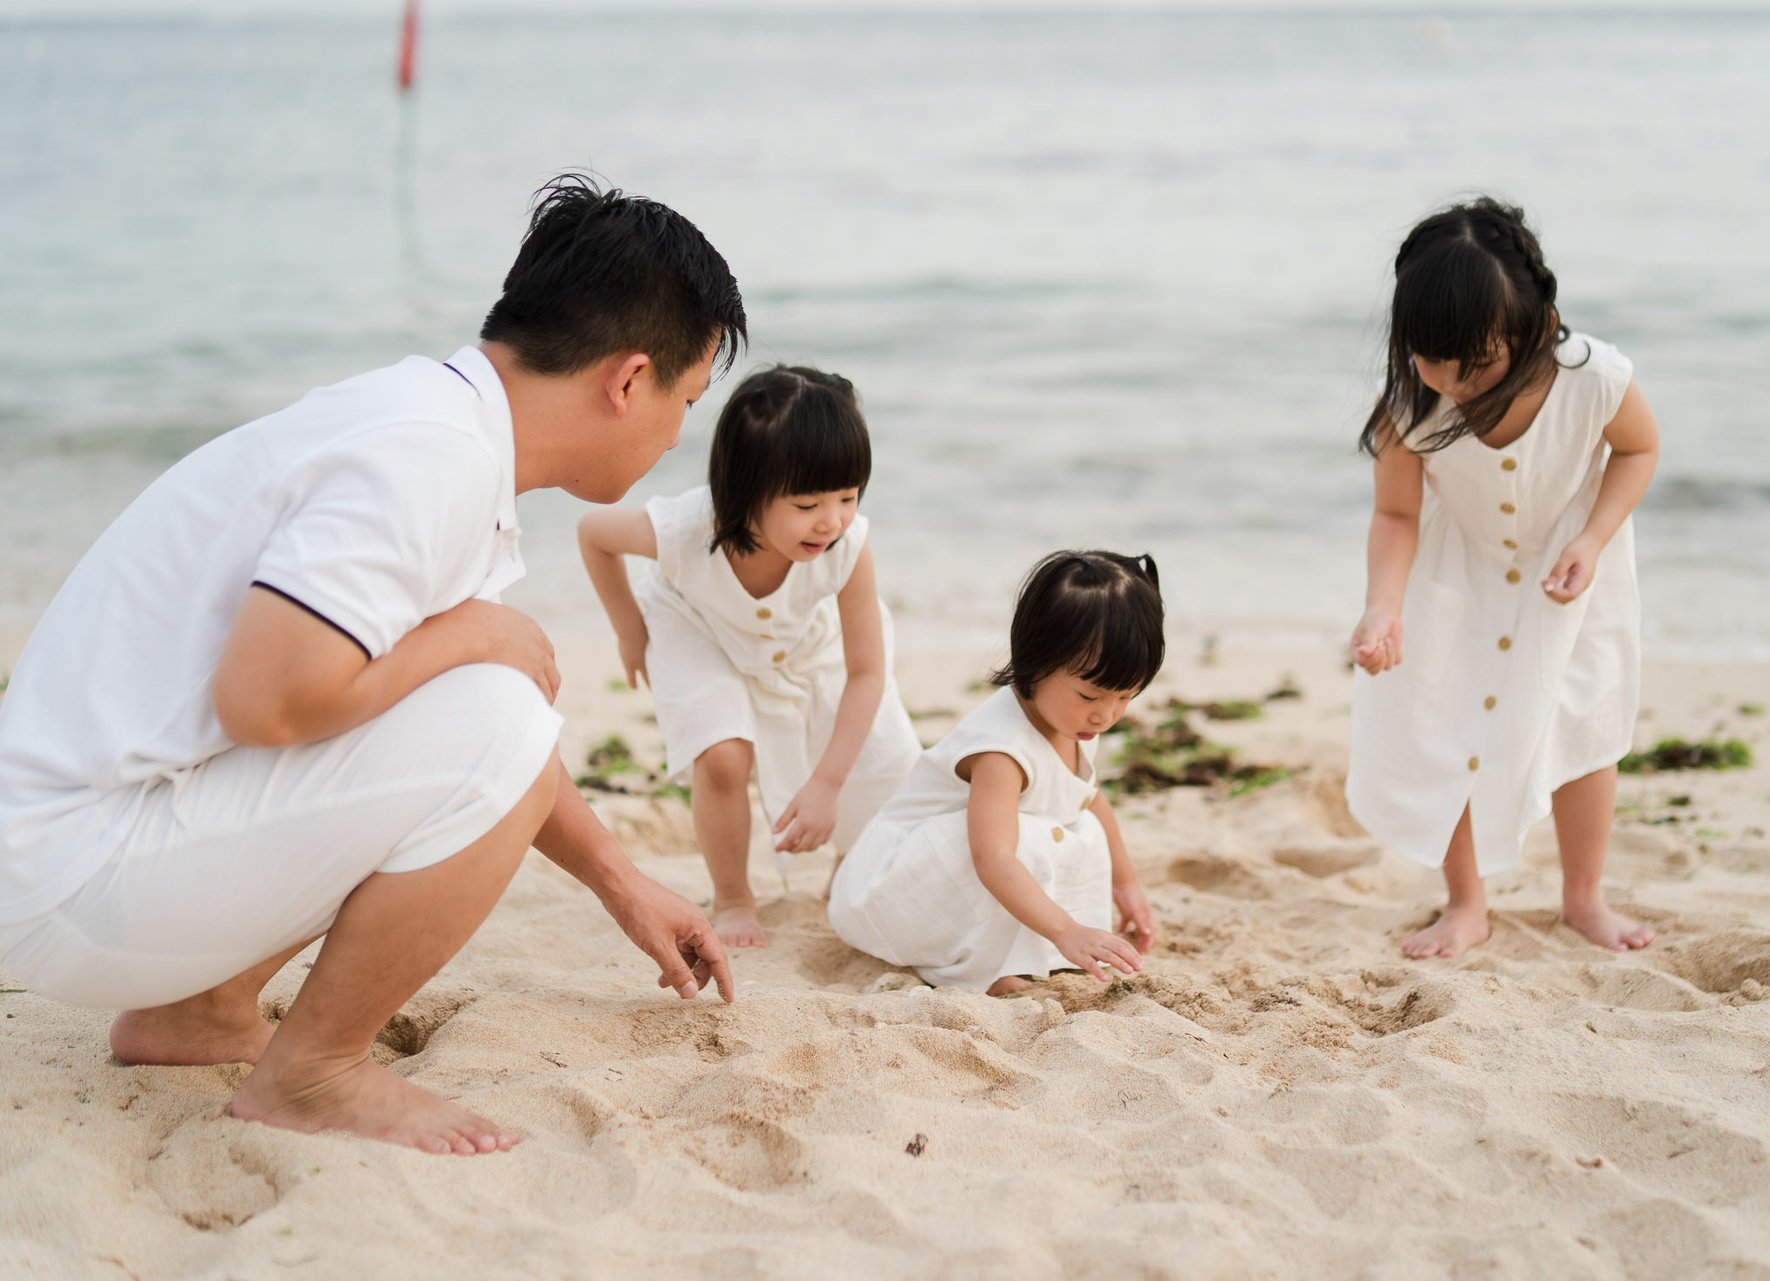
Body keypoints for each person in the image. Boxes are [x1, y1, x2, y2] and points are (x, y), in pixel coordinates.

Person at [0, 173, 745, 1155]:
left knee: (485, 697)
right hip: (74, 872)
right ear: (627, 379)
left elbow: (428, 733)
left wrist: (619, 879)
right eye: (686, 401)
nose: (676, 432)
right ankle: (312, 1073)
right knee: (498, 704)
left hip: (75, 849)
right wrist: (479, 636)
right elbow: (269, 699)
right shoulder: (426, 458)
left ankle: (197, 1012)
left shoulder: (433, 427)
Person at [1345, 196, 1661, 960]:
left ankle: (1584, 897)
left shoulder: (1594, 377)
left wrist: (1592, 536)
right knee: (1446, 723)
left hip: (1572, 570)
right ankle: (1466, 903)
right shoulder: (1411, 407)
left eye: (1476, 362)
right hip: (1459, 574)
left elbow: (1639, 451)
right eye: (1431, 358)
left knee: (1583, 726)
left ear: (1537, 328)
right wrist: (1382, 608)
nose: (1452, 380)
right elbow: (1396, 517)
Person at [578, 366, 921, 948]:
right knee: (723, 757)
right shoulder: (686, 530)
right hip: (697, 628)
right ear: (743, 493)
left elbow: (867, 672)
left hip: (811, 648)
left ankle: (847, 868)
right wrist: (628, 630)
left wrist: (825, 785)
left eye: (847, 496)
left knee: (882, 765)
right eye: (807, 502)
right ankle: (734, 897)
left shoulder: (848, 546)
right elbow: (594, 532)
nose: (832, 520)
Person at [830, 550, 1161, 994]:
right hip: (893, 889)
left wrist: (1127, 884)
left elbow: (1087, 794)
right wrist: (1065, 930)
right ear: (1036, 660)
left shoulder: (1073, 721)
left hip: (959, 872)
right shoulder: (1000, 750)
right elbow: (993, 859)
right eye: (1090, 695)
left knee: (1082, 827)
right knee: (1027, 839)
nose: (1107, 715)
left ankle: (1036, 952)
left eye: (1126, 698)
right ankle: (976, 968)